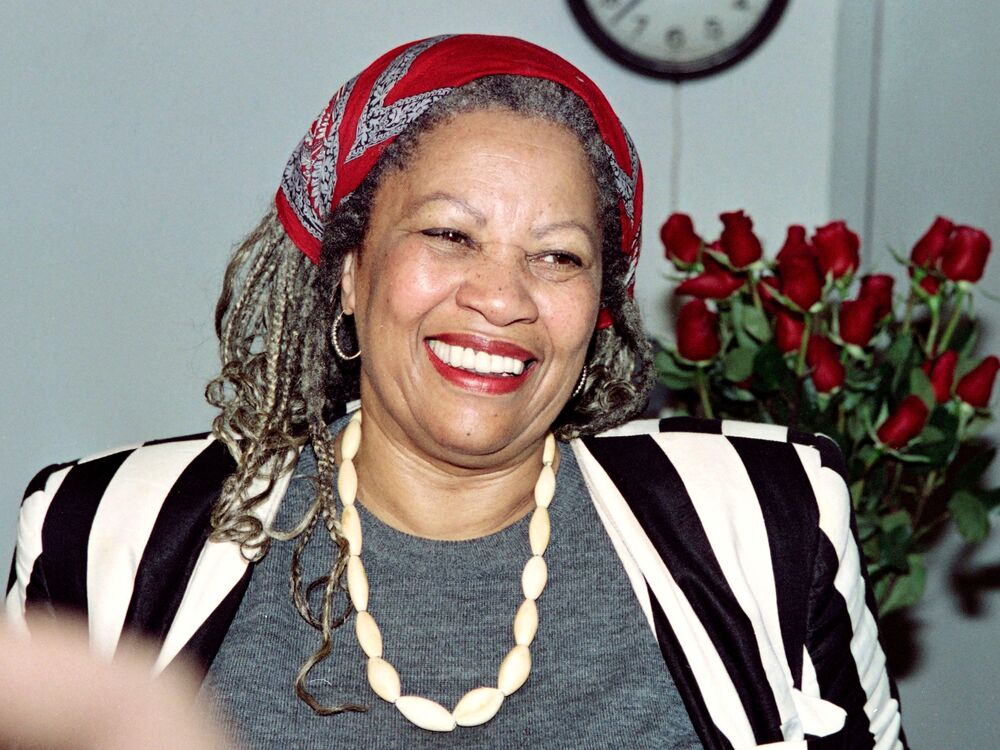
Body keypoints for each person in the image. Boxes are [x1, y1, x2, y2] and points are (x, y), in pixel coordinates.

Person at [4, 34, 906, 748]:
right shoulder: (105, 535)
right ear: (350, 272)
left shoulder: (767, 522)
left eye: (558, 256)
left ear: (599, 311)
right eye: (449, 235)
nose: (503, 299)